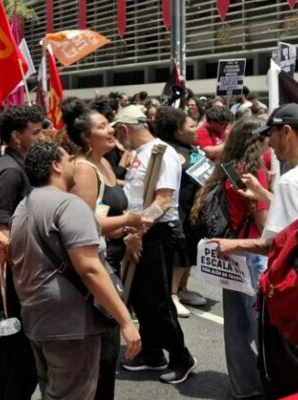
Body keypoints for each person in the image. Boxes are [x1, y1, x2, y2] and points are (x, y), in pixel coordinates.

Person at [12, 140, 141, 400]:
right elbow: (90, 268)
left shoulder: (23, 206)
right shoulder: (69, 205)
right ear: (56, 166)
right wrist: (126, 321)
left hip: (39, 319)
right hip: (71, 324)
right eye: (68, 160)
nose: (74, 164)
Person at [62, 98, 144, 399]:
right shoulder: (84, 170)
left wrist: (129, 231)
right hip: (95, 268)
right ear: (86, 137)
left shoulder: (106, 162)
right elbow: (87, 226)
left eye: (109, 125)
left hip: (114, 260)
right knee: (100, 357)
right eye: (102, 127)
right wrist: (130, 221)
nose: (111, 130)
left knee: (107, 358)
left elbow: (107, 216)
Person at [113, 105, 197, 384]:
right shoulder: (137, 154)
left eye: (117, 130)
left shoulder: (164, 153)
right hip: (137, 231)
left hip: (157, 232)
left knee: (158, 300)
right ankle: (152, 353)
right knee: (140, 297)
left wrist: (138, 231)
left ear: (125, 129)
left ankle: (181, 357)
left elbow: (162, 201)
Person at [191, 117, 269, 398]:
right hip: (251, 252)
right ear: (257, 140)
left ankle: (243, 387)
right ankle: (268, 383)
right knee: (260, 326)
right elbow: (262, 220)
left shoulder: (226, 168)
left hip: (230, 250)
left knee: (236, 326)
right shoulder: (252, 171)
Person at [0, 104, 42, 400]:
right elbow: (1, 235)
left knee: (18, 368)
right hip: (15, 289)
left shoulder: (21, 167)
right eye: (36, 132)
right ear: (17, 137)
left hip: (22, 285)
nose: (42, 137)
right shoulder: (8, 172)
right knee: (19, 364)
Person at [214, 103, 298, 256]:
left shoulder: (292, 181)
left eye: (270, 133)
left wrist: (235, 244)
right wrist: (262, 193)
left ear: (286, 132)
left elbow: (283, 243)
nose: (269, 142)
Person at [151, 107, 208, 318]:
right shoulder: (169, 151)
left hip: (195, 208)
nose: (197, 129)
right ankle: (172, 294)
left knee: (190, 249)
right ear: (177, 131)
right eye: (192, 126)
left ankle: (183, 288)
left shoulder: (193, 148)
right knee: (179, 251)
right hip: (179, 209)